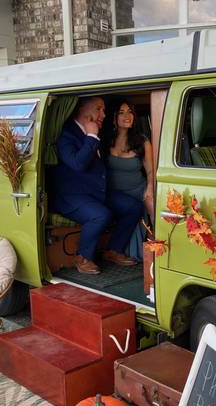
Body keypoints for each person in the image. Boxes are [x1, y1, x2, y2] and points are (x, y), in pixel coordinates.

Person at [50, 97, 142, 274]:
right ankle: (82, 257)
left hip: (96, 192)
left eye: (104, 110)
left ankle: (113, 250)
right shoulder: (66, 134)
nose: (104, 114)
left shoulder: (99, 131)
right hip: (71, 196)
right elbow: (77, 164)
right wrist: (91, 136)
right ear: (83, 110)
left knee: (133, 207)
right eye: (99, 109)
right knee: (100, 215)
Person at [104, 101, 154, 261]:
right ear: (113, 117)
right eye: (121, 112)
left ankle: (159, 246)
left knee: (151, 203)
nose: (127, 116)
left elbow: (150, 170)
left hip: (137, 190)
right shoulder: (105, 141)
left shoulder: (143, 141)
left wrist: (150, 188)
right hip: (112, 193)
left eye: (130, 112)